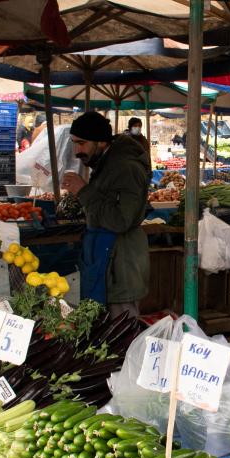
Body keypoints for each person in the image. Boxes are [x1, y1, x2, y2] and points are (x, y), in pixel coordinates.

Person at [60, 112, 150, 317]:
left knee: (122, 334)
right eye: (74, 143)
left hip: (122, 268)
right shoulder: (106, 164)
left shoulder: (127, 168)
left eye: (81, 143)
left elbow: (121, 220)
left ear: (100, 142)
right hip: (107, 263)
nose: (76, 151)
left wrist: (84, 191)